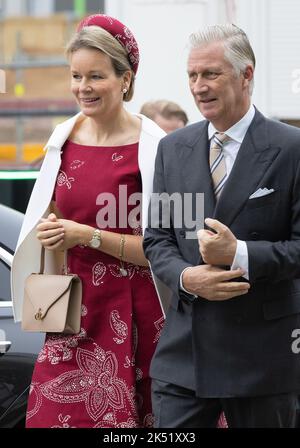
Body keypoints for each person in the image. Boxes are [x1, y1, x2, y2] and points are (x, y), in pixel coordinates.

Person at [11, 14, 166, 428]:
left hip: (140, 317)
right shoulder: (60, 140)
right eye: (76, 76)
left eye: (95, 76)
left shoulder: (155, 148)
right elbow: (46, 220)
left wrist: (88, 235)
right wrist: (50, 232)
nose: (83, 88)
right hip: (71, 315)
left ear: (125, 79)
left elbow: (165, 249)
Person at [143, 24, 300, 428]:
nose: (198, 86)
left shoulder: (291, 148)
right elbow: (158, 239)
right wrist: (186, 277)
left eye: (211, 74)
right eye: (192, 75)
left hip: (263, 361)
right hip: (184, 359)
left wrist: (239, 255)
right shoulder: (172, 149)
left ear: (247, 74)